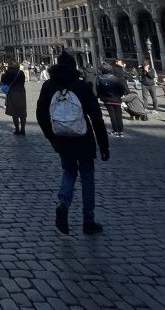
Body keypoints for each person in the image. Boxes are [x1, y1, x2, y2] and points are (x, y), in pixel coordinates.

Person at [36, 51, 110, 235]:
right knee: (87, 178)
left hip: (62, 138)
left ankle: (63, 203)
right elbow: (97, 118)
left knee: (68, 172)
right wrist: (104, 145)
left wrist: (51, 137)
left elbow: (41, 115)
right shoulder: (82, 86)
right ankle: (88, 220)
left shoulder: (48, 86)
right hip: (83, 138)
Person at [97, 66, 127, 137]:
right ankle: (120, 131)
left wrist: (102, 97)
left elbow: (98, 89)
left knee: (112, 115)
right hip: (116, 99)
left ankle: (115, 130)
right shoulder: (115, 78)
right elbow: (122, 89)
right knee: (118, 115)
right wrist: (120, 95)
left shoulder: (100, 78)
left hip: (107, 99)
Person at [1, 61, 27, 134]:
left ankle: (17, 129)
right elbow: (23, 81)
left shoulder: (8, 72)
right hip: (21, 93)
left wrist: (3, 75)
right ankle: (23, 129)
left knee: (14, 112)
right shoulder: (21, 72)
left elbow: (4, 82)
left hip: (12, 93)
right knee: (22, 112)